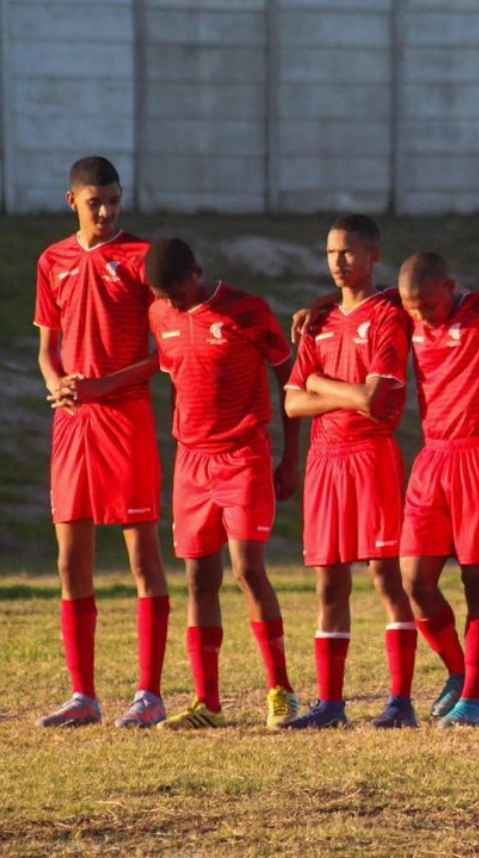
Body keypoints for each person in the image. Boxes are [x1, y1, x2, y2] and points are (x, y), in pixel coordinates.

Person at [35, 156, 171, 728]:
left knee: (142, 556)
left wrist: (103, 384)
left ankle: (149, 694)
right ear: (74, 202)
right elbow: (47, 347)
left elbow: (164, 353)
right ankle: (83, 696)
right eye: (97, 203)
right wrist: (56, 385)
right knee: (72, 562)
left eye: (115, 200)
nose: (108, 211)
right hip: (73, 427)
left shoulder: (142, 259)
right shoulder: (53, 261)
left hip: (126, 420)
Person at [144, 238, 301, 729]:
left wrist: (290, 456)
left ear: (197, 272)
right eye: (162, 295)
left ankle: (281, 691)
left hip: (243, 456)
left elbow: (287, 375)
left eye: (176, 291)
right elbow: (176, 378)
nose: (172, 302)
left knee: (248, 570)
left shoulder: (246, 310)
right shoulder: (161, 315)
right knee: (197, 579)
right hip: (191, 462)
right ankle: (207, 702)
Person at [282, 214, 416, 729]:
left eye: (349, 253)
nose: (338, 263)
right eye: (331, 253)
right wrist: (338, 393)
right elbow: (291, 404)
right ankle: (331, 705)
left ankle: (400, 702)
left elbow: (373, 399)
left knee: (384, 574)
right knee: (328, 582)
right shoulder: (317, 321)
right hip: (325, 462)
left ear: (373, 255)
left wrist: (318, 380)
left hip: (370, 456)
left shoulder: (387, 315)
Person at [395, 252, 479, 728]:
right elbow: (361, 305)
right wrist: (317, 304)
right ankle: (459, 673)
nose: (420, 316)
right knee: (415, 581)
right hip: (432, 458)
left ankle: (474, 700)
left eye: (427, 306)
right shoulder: (407, 316)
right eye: (411, 307)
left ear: (451, 286)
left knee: (477, 583)